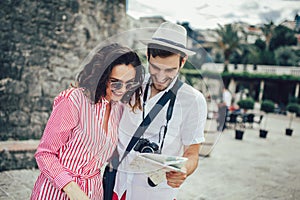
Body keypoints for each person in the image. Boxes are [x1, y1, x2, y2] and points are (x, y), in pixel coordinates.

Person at [30, 43, 144, 200]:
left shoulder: (120, 109)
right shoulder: (74, 100)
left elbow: (117, 154)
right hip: (57, 191)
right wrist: (72, 190)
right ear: (102, 76)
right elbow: (45, 153)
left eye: (129, 83)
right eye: (115, 82)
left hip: (94, 192)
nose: (123, 90)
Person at [113, 22, 207, 200]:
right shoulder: (131, 84)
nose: (161, 76)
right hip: (119, 187)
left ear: (183, 61)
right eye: (155, 67)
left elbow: (192, 153)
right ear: (147, 55)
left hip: (156, 194)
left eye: (170, 70)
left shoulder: (193, 100)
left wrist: (183, 170)